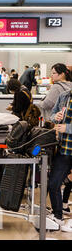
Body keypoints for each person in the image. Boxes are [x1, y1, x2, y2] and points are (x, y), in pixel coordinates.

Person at [48, 91, 72, 232]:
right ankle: (58, 216)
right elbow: (53, 113)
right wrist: (55, 117)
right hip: (64, 149)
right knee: (53, 183)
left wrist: (67, 128)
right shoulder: (64, 96)